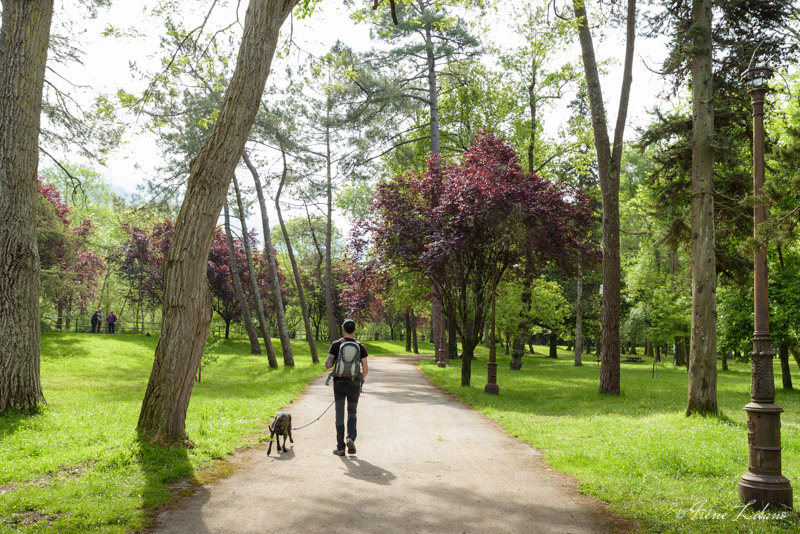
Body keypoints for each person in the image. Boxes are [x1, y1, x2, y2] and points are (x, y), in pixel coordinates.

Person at [326, 319, 368, 456]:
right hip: (354, 384)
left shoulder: (336, 344)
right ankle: (350, 438)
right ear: (355, 330)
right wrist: (359, 380)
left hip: (339, 384)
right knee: (352, 412)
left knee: (339, 415)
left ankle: (340, 448)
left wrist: (332, 361)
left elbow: (327, 364)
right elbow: (366, 370)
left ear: (343, 329)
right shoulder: (360, 346)